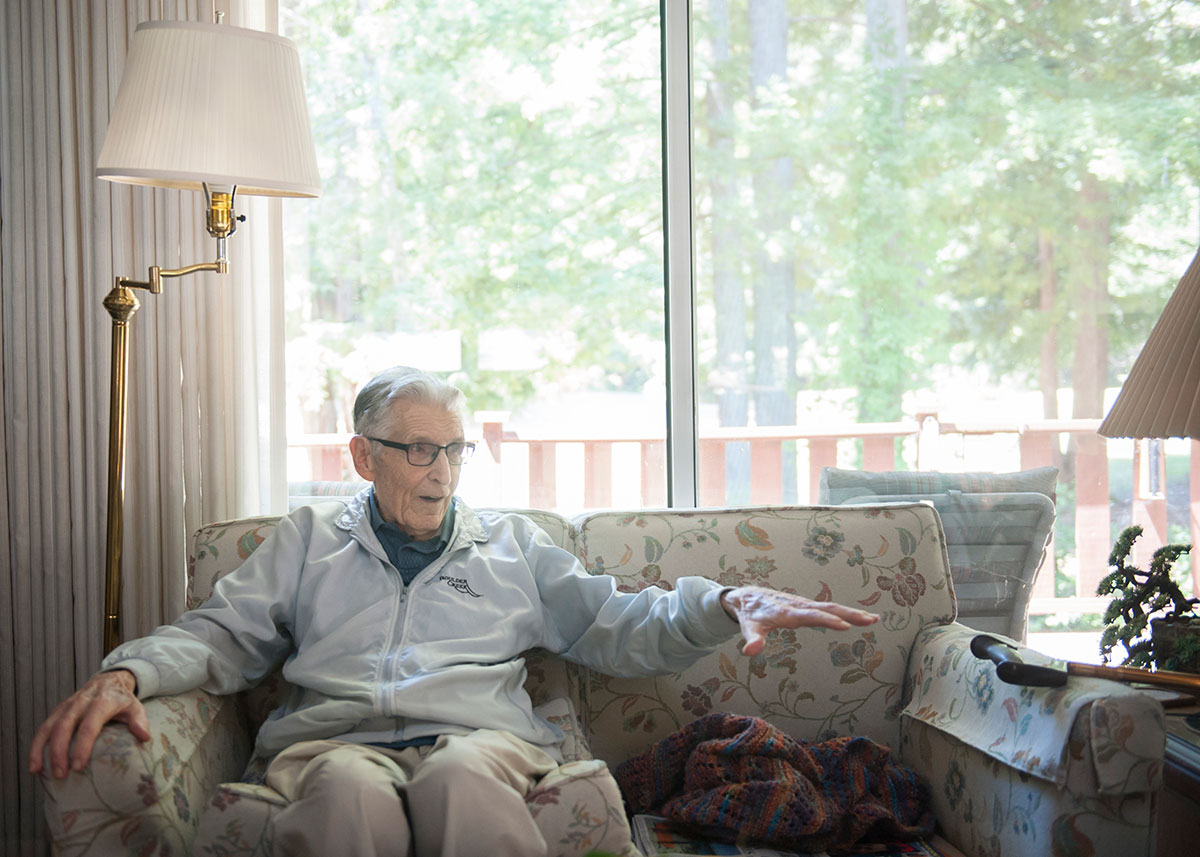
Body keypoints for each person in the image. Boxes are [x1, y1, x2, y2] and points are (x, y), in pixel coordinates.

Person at [30, 366, 878, 857]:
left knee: (460, 779)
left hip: (480, 743)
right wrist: (128, 670)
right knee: (344, 791)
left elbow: (617, 625)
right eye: (419, 450)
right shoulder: (308, 539)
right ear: (363, 454)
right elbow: (221, 632)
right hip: (332, 742)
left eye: (455, 450)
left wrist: (725, 600)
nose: (442, 471)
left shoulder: (510, 547)